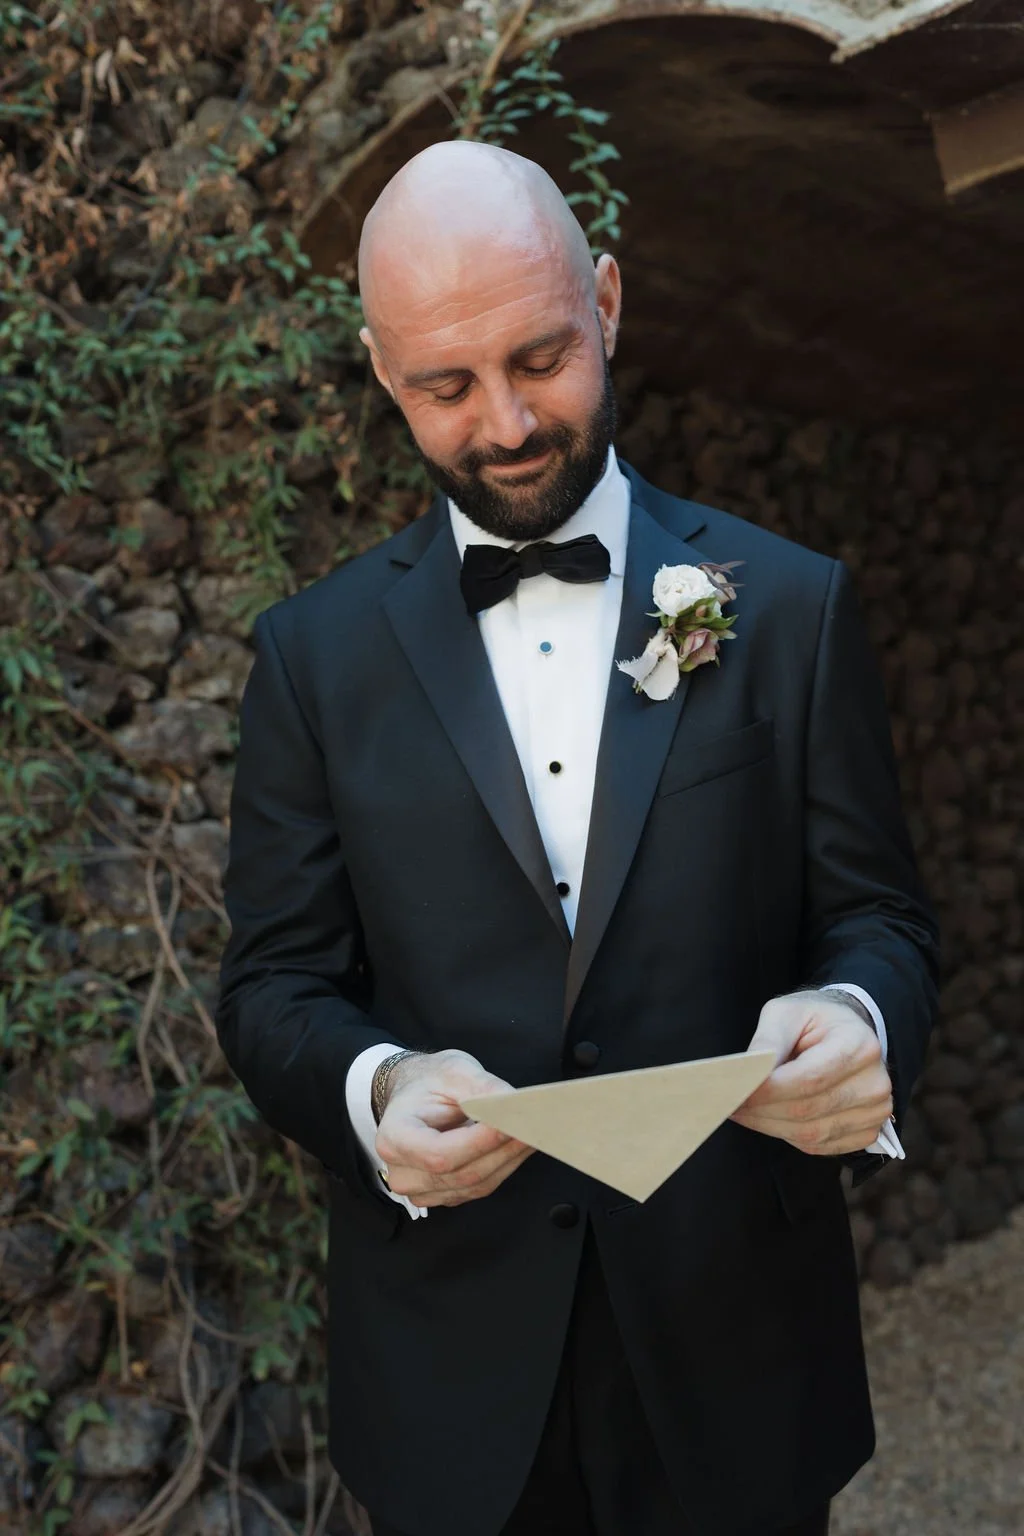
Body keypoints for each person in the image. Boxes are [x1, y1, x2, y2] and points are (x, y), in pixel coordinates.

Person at [215, 140, 939, 1536]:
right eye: (445, 385)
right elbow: (269, 990)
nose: (503, 424)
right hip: (450, 1378)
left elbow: (885, 923)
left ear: (607, 300)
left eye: (539, 357)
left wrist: (863, 1017)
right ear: (380, 369)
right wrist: (373, 1090)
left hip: (738, 1351)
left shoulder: (785, 606)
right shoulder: (312, 661)